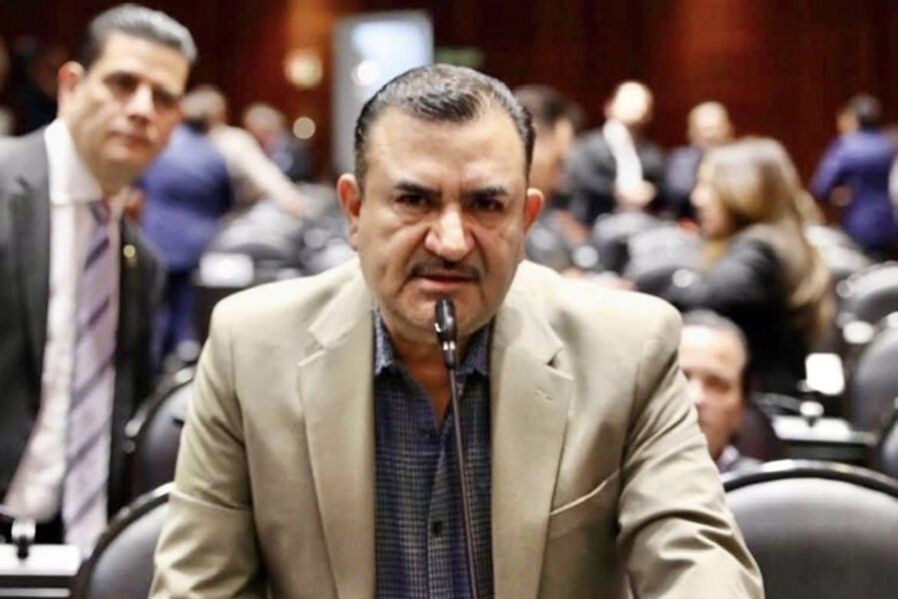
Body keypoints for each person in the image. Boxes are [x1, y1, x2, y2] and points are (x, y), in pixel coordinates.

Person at [151, 64, 762, 598]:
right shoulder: (250, 348)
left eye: (486, 205)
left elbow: (698, 560)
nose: (450, 241)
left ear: (526, 219)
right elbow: (198, 585)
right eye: (414, 201)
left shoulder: (627, 349)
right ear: (355, 211)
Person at [0, 4, 194, 554]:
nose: (142, 109)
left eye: (163, 98)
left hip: (74, 548)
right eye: (123, 83)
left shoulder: (143, 263)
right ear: (71, 86)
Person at [663, 137, 834, 395]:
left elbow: (695, 299)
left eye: (708, 185)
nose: (697, 198)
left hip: (758, 403)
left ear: (743, 192)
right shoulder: (781, 240)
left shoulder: (759, 250)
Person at [139, 100, 235, 361]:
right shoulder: (213, 155)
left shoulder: (161, 149)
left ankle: (155, 362)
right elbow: (226, 199)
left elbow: (141, 184)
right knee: (187, 309)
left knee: (156, 305)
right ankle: (184, 357)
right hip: (198, 243)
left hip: (156, 239)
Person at [181, 84, 308, 216]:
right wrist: (291, 199)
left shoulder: (175, 141)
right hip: (222, 217)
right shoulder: (233, 140)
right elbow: (264, 173)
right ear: (222, 114)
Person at [565, 81, 666, 227]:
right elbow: (581, 181)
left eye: (643, 103)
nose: (637, 107)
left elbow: (663, 188)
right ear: (609, 107)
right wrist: (618, 194)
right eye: (630, 100)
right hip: (594, 224)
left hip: (643, 225)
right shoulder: (587, 146)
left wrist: (651, 192)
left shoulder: (653, 153)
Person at [811, 94, 897, 256]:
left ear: (852, 118)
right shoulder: (889, 144)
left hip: (858, 226)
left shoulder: (847, 145)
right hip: (890, 225)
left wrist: (840, 196)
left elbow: (821, 188)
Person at [680, 311, 761, 475]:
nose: (695, 398)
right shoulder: (623, 482)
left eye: (717, 384)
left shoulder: (766, 488)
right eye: (678, 379)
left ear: (741, 409)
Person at [665, 101, 734, 220]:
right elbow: (678, 195)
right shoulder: (681, 159)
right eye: (703, 129)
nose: (710, 135)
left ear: (728, 129)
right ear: (691, 132)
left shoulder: (741, 161)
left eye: (714, 128)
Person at [243, 101, 314, 182]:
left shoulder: (296, 148)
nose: (250, 133)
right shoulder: (258, 148)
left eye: (252, 128)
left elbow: (300, 175)